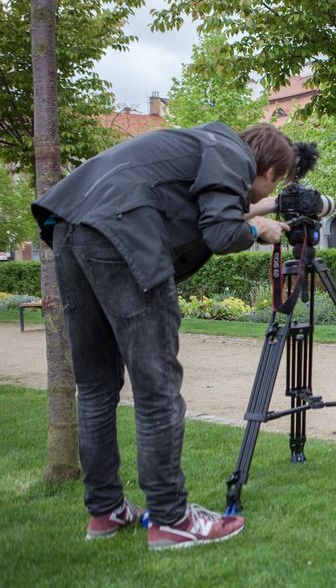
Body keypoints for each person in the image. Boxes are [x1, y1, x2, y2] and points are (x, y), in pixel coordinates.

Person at [31, 122, 296, 550]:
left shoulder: (201, 145)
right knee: (158, 389)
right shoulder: (233, 154)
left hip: (71, 228)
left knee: (96, 387)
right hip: (124, 237)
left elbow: (188, 208)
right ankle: (171, 518)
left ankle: (106, 511)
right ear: (264, 168)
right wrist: (254, 230)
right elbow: (221, 233)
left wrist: (249, 213)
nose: (267, 193)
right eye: (272, 184)